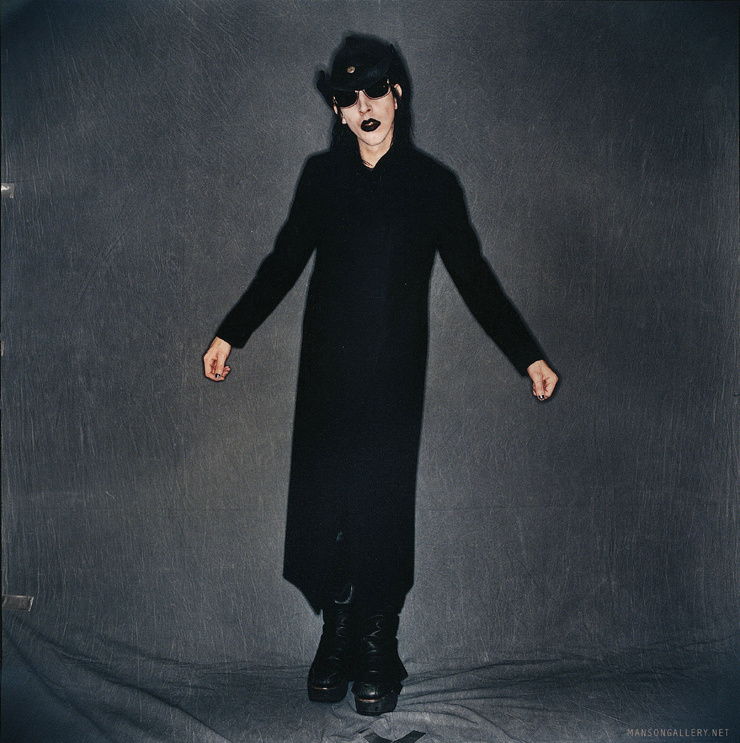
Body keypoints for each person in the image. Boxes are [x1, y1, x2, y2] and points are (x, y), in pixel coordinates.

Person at [203, 34, 558, 717]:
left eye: (374, 92)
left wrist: (528, 355)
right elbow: (283, 261)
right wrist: (231, 332)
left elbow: (475, 278)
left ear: (397, 95)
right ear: (337, 110)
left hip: (393, 381)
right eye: (349, 98)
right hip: (326, 377)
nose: (364, 107)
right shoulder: (320, 179)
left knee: (380, 509)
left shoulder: (433, 186)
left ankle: (375, 644)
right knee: (325, 507)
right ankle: (336, 635)